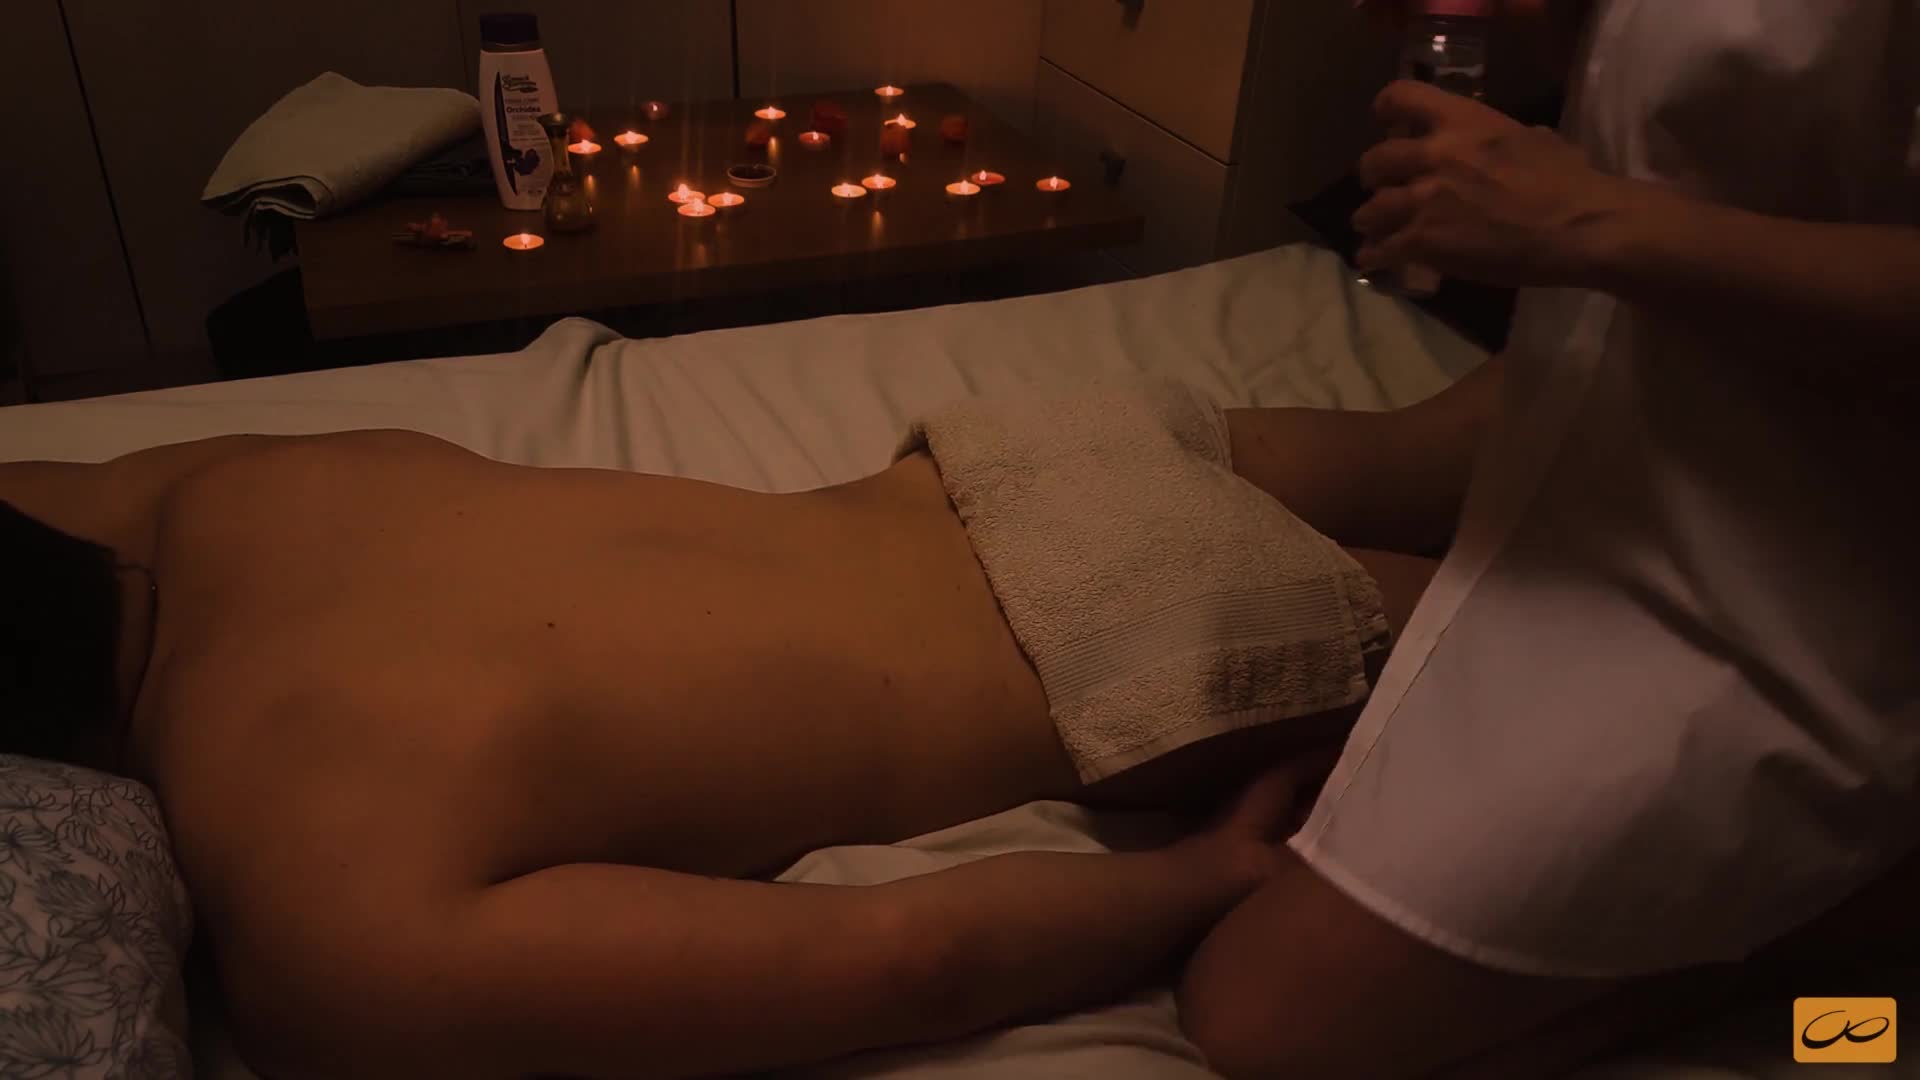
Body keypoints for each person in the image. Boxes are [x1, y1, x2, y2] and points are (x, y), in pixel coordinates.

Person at [0, 361, 1496, 1079]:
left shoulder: (324, 916)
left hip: (1117, 638)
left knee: (1594, 643)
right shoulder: (202, 490)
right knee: (1511, 444)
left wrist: (1207, 876)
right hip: (1016, 462)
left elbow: (901, 958)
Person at [1176, 0, 1920, 1075]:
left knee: (1263, 1024)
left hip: (1815, 590)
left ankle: (1825, 957)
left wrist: (1584, 221)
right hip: (1606, 499)